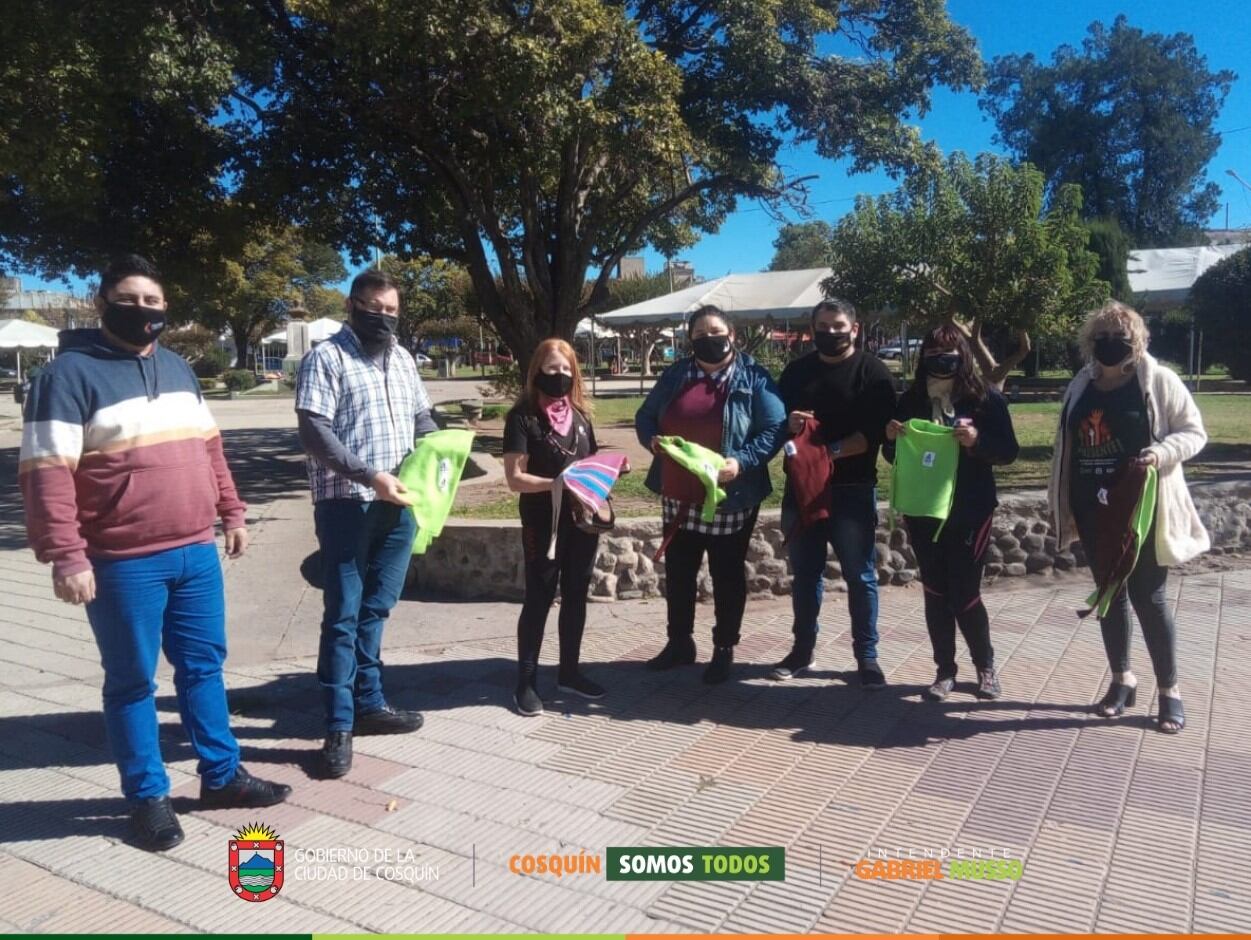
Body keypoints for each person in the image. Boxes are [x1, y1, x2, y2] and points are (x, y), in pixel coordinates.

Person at [19, 255, 291, 852]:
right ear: (101, 303)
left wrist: (233, 511)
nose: (143, 310)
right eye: (130, 299)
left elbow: (210, 448)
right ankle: (147, 797)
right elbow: (46, 473)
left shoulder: (177, 368)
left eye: (153, 302)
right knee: (133, 684)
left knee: (204, 670)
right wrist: (66, 555)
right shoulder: (66, 377)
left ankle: (220, 777)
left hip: (195, 552)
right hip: (121, 561)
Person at [295, 269, 435, 778]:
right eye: (375, 307)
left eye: (392, 310)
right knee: (345, 612)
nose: (384, 317)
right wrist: (369, 475)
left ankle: (370, 702)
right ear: (352, 304)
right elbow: (314, 431)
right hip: (345, 503)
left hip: (399, 505)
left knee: (378, 606)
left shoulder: (403, 359)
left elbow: (422, 419)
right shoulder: (326, 358)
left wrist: (442, 449)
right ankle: (338, 723)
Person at [1048, 301, 1208, 734]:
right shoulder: (1081, 384)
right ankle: (1122, 681)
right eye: (1101, 336)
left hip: (1142, 510)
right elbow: (1067, 445)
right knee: (1108, 596)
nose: (1109, 344)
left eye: (1119, 336)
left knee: (1150, 599)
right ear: (1089, 341)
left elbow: (1194, 432)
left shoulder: (1157, 380)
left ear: (1136, 339)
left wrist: (1160, 453)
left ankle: (1169, 691)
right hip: (1092, 508)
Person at [635, 305, 786, 683]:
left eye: (715, 332)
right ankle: (679, 643)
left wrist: (742, 461)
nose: (709, 340)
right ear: (690, 341)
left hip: (729, 495)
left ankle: (724, 648)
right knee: (681, 571)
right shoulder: (675, 374)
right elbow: (645, 416)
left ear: (732, 334)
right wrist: (651, 441)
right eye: (700, 335)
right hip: (678, 491)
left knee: (726, 574)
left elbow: (774, 428)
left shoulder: (753, 377)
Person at [884, 325, 1019, 701]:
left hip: (969, 511)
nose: (940, 359)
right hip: (923, 509)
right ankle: (944, 671)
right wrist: (892, 439)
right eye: (932, 352)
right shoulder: (911, 401)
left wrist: (977, 442)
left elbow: (1008, 451)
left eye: (948, 351)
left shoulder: (985, 399)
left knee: (964, 593)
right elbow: (894, 458)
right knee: (935, 591)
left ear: (962, 354)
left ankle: (985, 667)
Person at [774, 299, 897, 687]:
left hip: (851, 490)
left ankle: (867, 657)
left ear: (855, 329)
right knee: (805, 575)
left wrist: (829, 453)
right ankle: (801, 651)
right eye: (823, 326)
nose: (831, 332)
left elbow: (872, 435)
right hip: (803, 491)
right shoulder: (796, 373)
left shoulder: (872, 373)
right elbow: (775, 426)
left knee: (860, 576)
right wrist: (788, 424)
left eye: (838, 325)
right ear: (813, 330)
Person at [503, 338, 617, 716]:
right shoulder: (522, 418)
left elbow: (591, 466)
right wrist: (556, 484)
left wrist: (608, 472)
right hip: (542, 523)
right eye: (553, 370)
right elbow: (515, 478)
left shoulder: (581, 419)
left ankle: (569, 672)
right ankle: (526, 681)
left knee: (576, 595)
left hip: (580, 523)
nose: (560, 376)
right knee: (539, 597)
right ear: (537, 371)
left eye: (567, 370)